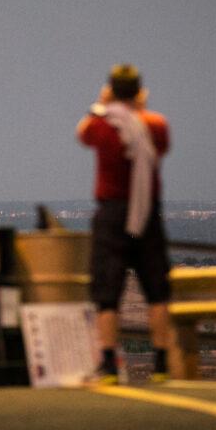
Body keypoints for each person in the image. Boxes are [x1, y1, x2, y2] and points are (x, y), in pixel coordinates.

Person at [76, 64, 174, 384]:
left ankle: (108, 363)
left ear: (110, 91)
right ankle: (161, 363)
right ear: (139, 92)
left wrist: (101, 103)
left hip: (112, 214)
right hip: (147, 212)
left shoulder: (101, 125)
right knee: (156, 290)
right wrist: (140, 109)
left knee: (107, 292)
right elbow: (162, 149)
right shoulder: (155, 125)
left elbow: (82, 132)